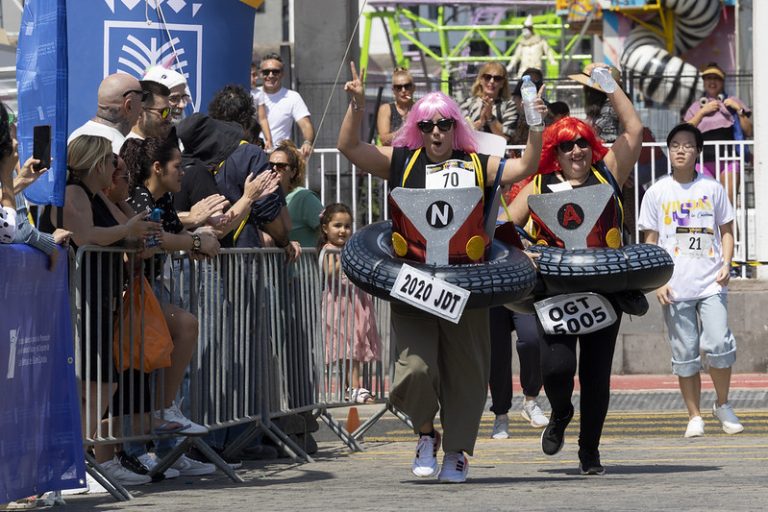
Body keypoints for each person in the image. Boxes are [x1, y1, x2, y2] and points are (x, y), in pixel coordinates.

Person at [338, 61, 546, 483]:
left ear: (456, 127)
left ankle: (457, 452)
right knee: (413, 369)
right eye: (429, 124)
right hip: (414, 283)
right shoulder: (401, 162)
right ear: (417, 127)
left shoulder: (477, 164)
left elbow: (526, 167)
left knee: (467, 373)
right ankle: (425, 433)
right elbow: (350, 148)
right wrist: (356, 107)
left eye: (445, 124)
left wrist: (535, 121)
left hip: (465, 285)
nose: (437, 132)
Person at [507, 62, 643, 476]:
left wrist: (611, 87)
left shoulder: (608, 173)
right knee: (558, 369)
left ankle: (589, 451)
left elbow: (634, 131)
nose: (577, 152)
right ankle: (561, 412)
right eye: (567, 147)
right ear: (556, 153)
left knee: (597, 375)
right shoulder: (539, 184)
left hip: (604, 290)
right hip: (556, 292)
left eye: (582, 142)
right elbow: (505, 224)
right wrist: (523, 251)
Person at [637, 123, 742, 438]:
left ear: (698, 151)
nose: (680, 150)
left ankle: (722, 404)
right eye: (675, 145)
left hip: (711, 282)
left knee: (720, 343)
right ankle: (694, 415)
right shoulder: (656, 192)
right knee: (685, 354)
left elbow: (726, 232)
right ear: (668, 152)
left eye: (687, 145)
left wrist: (726, 264)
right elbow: (651, 241)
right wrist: (657, 282)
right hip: (675, 286)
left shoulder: (712, 189)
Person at [319, 203, 381, 404]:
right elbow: (329, 272)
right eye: (337, 225)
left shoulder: (348, 248)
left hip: (356, 301)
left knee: (357, 343)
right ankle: (354, 386)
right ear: (325, 228)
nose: (343, 231)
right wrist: (346, 256)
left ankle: (354, 385)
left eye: (347, 226)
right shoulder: (328, 250)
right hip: (339, 304)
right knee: (347, 347)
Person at [684, 62, 752, 202]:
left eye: (716, 78)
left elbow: (749, 131)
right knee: (707, 207)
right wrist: (702, 112)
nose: (712, 81)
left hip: (729, 161)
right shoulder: (696, 106)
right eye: (708, 78)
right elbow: (685, 132)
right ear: (704, 82)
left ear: (722, 81)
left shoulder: (733, 102)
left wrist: (739, 110)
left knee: (727, 206)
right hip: (702, 162)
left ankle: (731, 225)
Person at [256, 52, 315, 160]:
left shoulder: (293, 97)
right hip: (256, 155)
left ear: (282, 74)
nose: (270, 75)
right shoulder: (253, 95)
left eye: (275, 72)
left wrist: (307, 142)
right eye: (266, 72)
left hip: (281, 158)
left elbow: (306, 125)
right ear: (260, 73)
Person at [68, 72, 144, 153]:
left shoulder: (75, 138)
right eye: (142, 99)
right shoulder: (122, 149)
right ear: (128, 106)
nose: (141, 109)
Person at [270, 139, 323, 247]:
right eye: (270, 165)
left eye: (281, 166)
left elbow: (327, 230)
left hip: (303, 263)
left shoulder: (304, 197)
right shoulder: (264, 197)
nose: (274, 169)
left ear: (293, 172)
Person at [460, 62, 518, 143]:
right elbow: (460, 134)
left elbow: (506, 137)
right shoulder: (467, 104)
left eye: (497, 78)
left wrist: (490, 117)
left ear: (502, 83)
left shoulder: (509, 105)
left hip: (499, 153)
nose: (492, 81)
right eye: (487, 77)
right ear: (480, 80)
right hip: (472, 153)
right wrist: (480, 122)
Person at [377, 67, 415, 146]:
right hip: (393, 154)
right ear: (393, 90)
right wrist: (405, 128)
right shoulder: (386, 109)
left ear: (413, 88)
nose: (403, 90)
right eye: (398, 87)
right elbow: (384, 140)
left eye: (407, 86)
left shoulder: (419, 108)